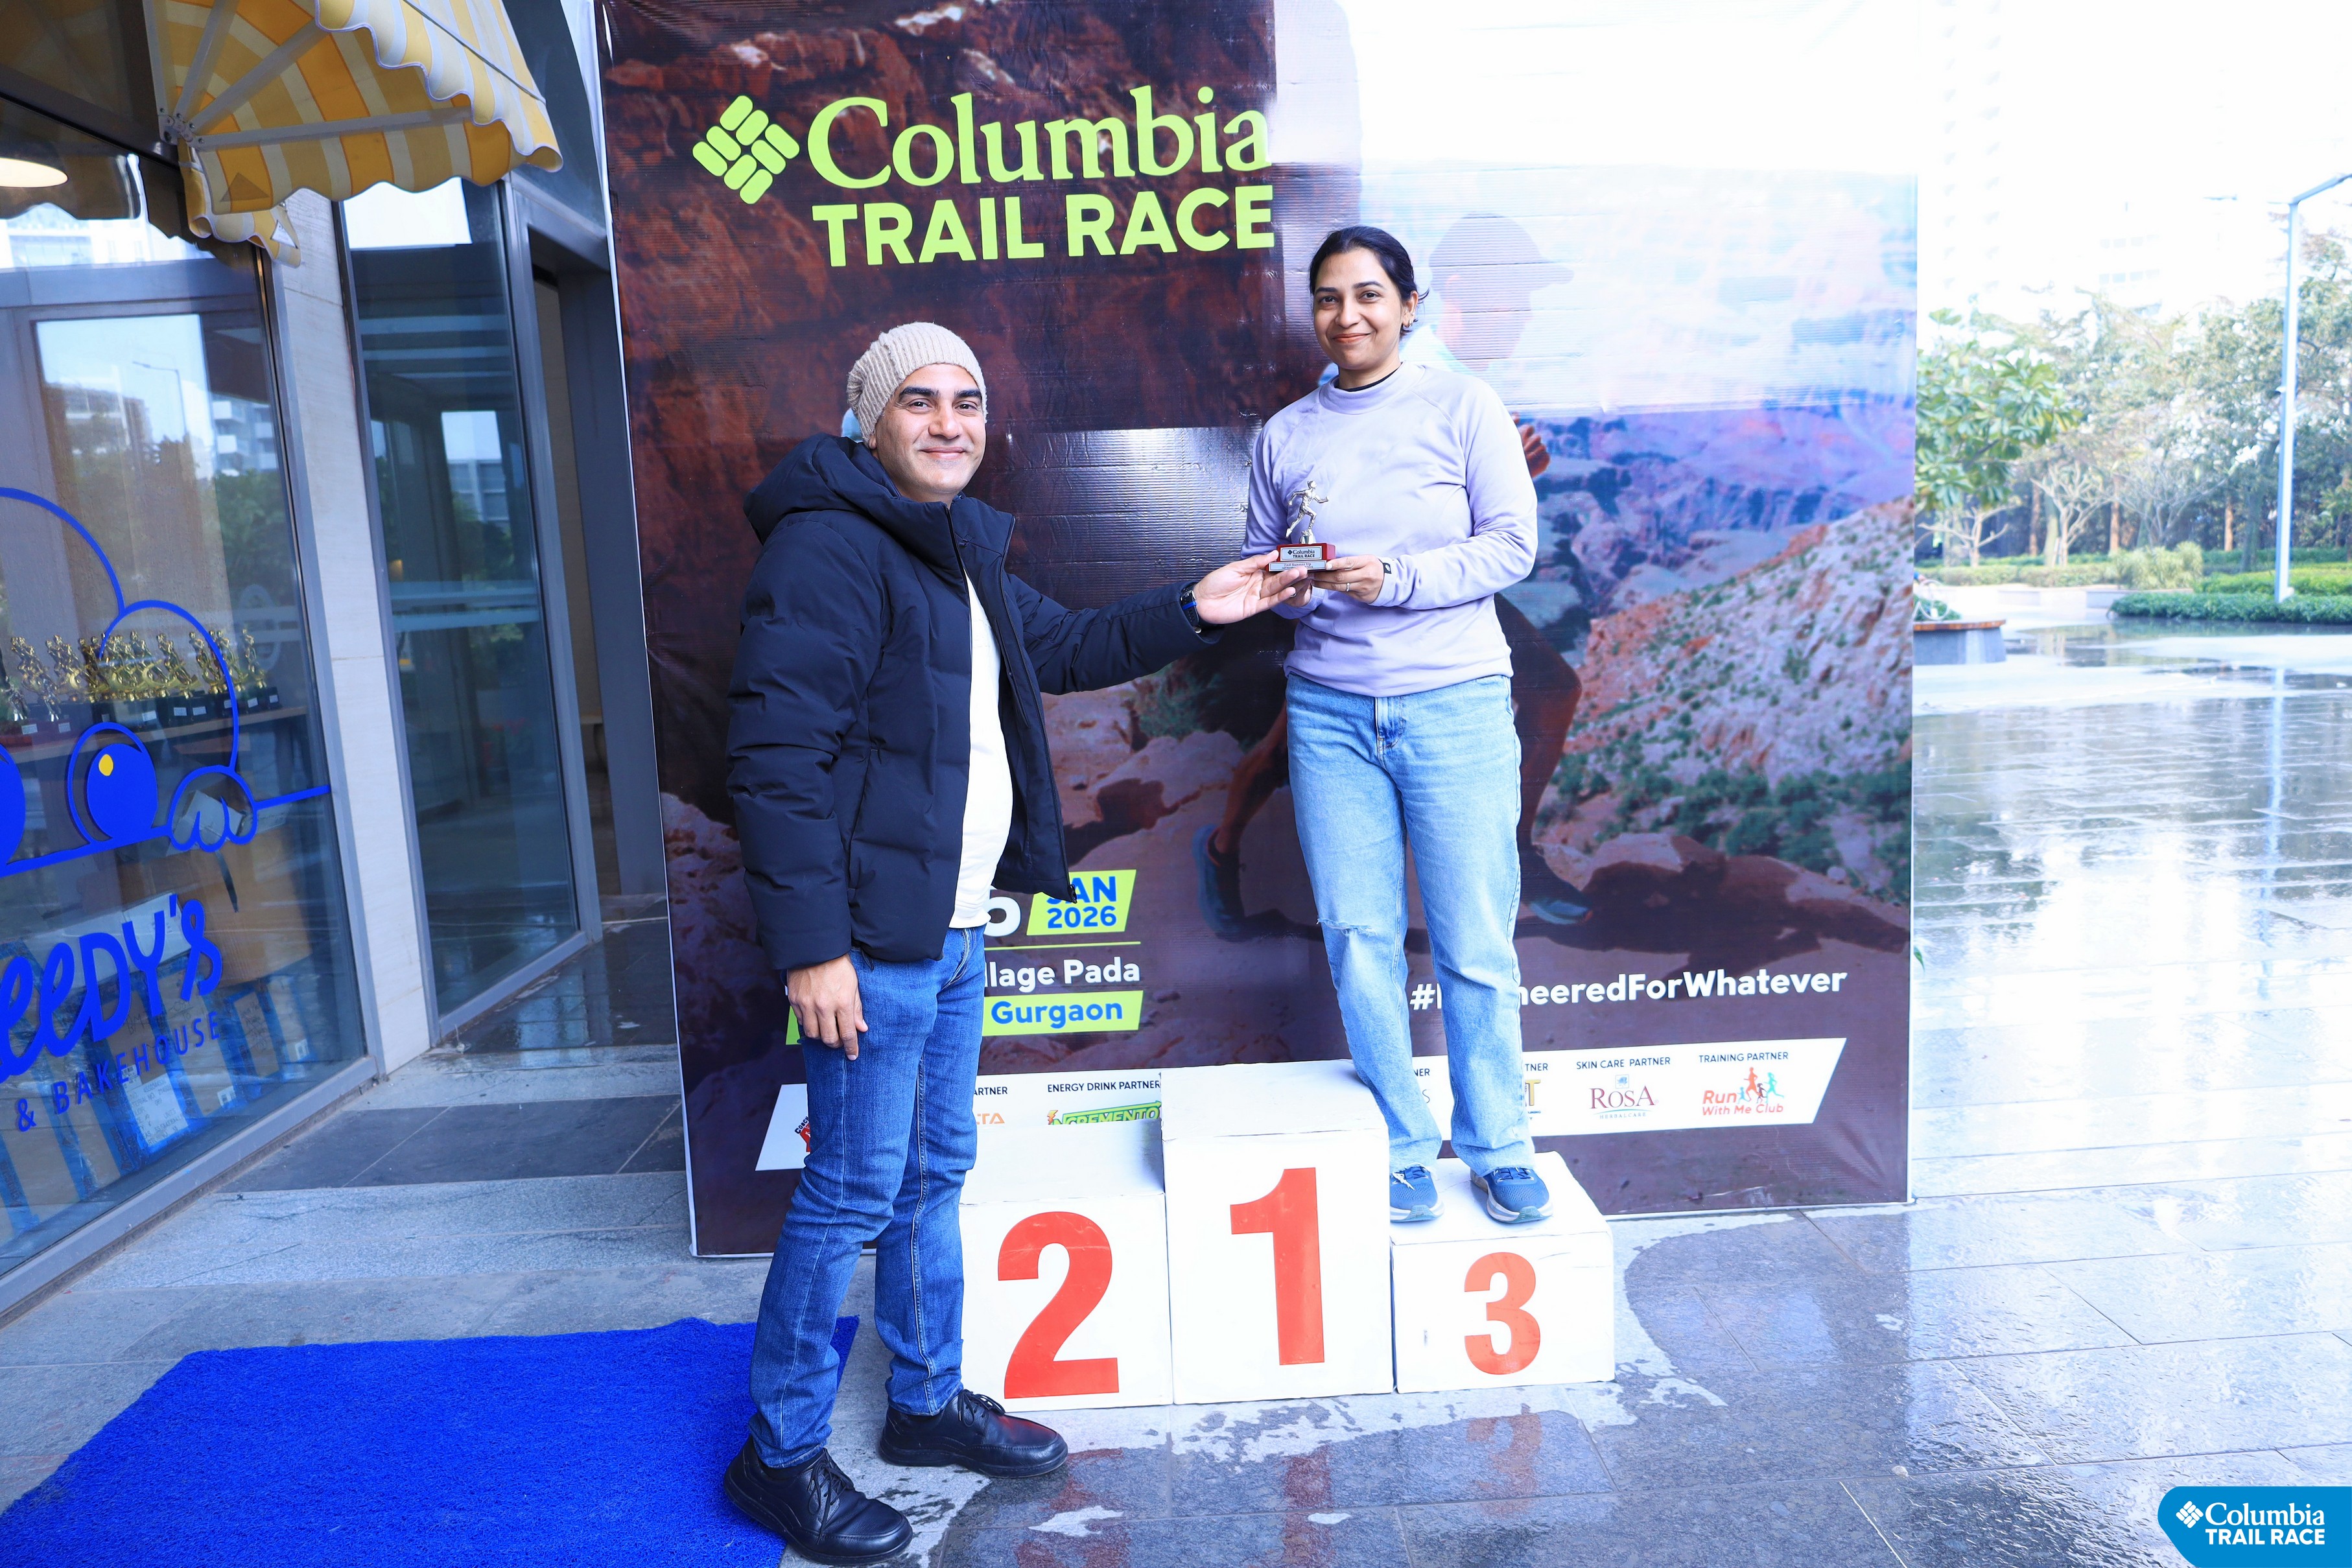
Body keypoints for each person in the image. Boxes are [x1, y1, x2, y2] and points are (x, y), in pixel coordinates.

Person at [722, 322, 1306, 1564]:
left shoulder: (954, 545)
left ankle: (924, 1401)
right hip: (868, 943)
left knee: (931, 1171)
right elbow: (774, 759)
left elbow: (1070, 646)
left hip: (948, 930)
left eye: (967, 400)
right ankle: (778, 1453)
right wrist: (813, 949)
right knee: (849, 1191)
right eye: (918, 400)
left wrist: (1199, 607)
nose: (949, 421)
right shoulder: (827, 546)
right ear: (866, 419)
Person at [1246, 226, 1553, 1229]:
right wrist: (1294, 586)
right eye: (1330, 298)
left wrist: (1398, 578)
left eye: (1370, 294)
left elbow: (1512, 545)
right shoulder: (1286, 434)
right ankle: (1402, 1143)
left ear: (1410, 306)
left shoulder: (1464, 406)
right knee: (1359, 936)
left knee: (1474, 940)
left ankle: (1499, 1145)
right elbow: (1267, 569)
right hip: (1328, 712)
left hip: (1455, 702)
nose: (1349, 315)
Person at [1195, 211, 1591, 935]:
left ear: (1409, 305)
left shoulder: (1464, 388)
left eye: (1367, 296)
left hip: (1432, 616)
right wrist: (1310, 580)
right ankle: (1220, 850)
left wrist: (1506, 477)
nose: (1525, 314)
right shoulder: (1366, 384)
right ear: (1460, 289)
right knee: (1286, 749)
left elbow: (1488, 531)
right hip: (1351, 626)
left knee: (1552, 691)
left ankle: (1511, 850)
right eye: (1516, 295)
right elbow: (1310, 526)